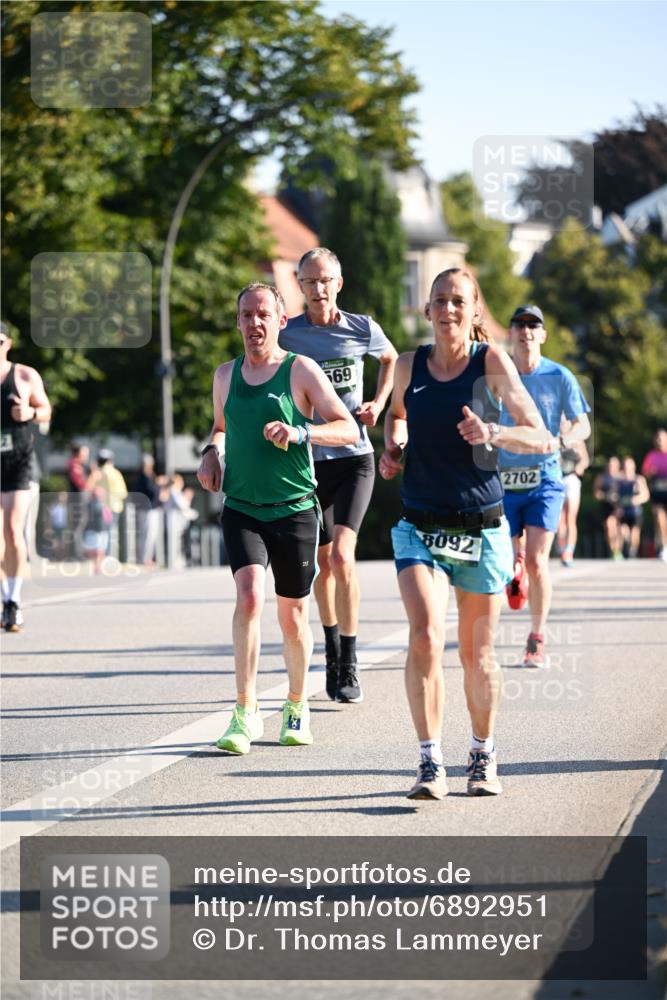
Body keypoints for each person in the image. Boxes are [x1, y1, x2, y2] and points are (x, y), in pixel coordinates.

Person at [380, 269, 545, 801]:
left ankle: (483, 751)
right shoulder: (408, 366)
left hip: (480, 525)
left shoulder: (489, 363)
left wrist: (493, 431)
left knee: (477, 653)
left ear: (474, 311)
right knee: (425, 634)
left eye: (458, 301)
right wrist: (395, 449)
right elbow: (398, 418)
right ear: (426, 310)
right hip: (420, 525)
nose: (448, 310)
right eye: (439, 301)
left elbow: (539, 435)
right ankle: (430, 762)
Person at [197, 282, 357, 756]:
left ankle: (295, 704)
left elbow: (347, 426)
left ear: (281, 321)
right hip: (242, 508)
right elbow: (221, 427)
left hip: (295, 511)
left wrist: (300, 431)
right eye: (246, 315)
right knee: (249, 598)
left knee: (292, 617)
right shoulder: (225, 375)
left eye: (263, 314)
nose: (254, 323)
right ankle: (244, 712)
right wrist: (211, 452)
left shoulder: (300, 370)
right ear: (238, 321)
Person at [279, 247, 398, 704]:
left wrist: (379, 403)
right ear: (300, 285)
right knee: (322, 564)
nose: (318, 289)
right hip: (309, 461)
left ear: (339, 283)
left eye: (325, 280)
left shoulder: (361, 327)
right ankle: (330, 647)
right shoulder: (289, 334)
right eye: (309, 281)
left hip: (354, 458)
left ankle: (349, 659)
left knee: (344, 557)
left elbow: (389, 360)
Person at [499, 305, 591, 668]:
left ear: (542, 335)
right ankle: (514, 564)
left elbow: (582, 424)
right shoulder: (496, 373)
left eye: (532, 325)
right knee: (506, 561)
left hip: (545, 480)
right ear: (511, 333)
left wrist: (562, 439)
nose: (525, 331)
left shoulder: (560, 375)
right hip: (502, 481)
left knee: (539, 561)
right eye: (519, 324)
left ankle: (536, 638)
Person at [1, 322, 52, 632]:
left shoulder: (24, 375)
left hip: (18, 460)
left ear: (8, 343)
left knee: (11, 528)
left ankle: (13, 599)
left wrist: (30, 414)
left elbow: (46, 409)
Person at [557, 433, 590, 566]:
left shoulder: (577, 439)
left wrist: (579, 467)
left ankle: (568, 552)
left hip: (571, 480)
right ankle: (561, 549)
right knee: (560, 520)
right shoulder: (553, 435)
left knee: (571, 518)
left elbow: (585, 460)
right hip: (557, 479)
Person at [641, 429, 667, 561]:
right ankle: (664, 547)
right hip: (657, 491)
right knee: (659, 518)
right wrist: (651, 473)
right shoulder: (651, 456)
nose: (659, 442)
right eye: (657, 439)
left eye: (662, 439)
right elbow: (645, 473)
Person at [617, 457, 649, 559]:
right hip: (623, 511)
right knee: (623, 531)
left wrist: (636, 499)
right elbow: (613, 494)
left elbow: (646, 495)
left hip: (635, 512)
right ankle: (626, 546)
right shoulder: (618, 481)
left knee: (635, 533)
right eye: (625, 466)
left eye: (629, 466)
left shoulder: (639, 480)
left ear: (633, 466)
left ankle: (632, 550)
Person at [97, 449, 128, 557]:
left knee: (104, 532)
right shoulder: (115, 473)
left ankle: (104, 555)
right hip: (115, 506)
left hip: (103, 506)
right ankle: (109, 556)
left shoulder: (99, 472)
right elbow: (123, 493)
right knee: (111, 531)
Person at [132, 454, 161, 566]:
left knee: (150, 535)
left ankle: (147, 558)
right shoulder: (145, 477)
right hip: (147, 510)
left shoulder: (148, 476)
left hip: (150, 509)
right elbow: (152, 492)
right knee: (147, 535)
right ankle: (144, 558)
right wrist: (158, 485)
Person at [594, 456, 623, 560]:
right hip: (606, 506)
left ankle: (619, 548)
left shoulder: (621, 477)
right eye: (610, 465)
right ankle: (614, 550)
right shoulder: (602, 477)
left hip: (620, 506)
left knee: (619, 528)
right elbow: (596, 492)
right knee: (609, 526)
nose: (611, 467)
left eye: (613, 465)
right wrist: (605, 496)